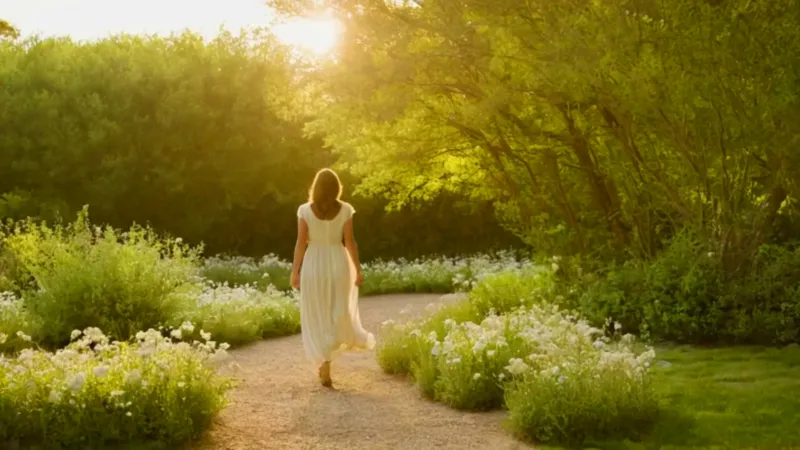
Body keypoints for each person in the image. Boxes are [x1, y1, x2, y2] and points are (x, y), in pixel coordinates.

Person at [290, 168, 376, 387]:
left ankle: (324, 359)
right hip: (338, 262)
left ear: (315, 188)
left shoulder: (304, 210)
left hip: (313, 264)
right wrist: (357, 268)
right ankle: (329, 351)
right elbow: (350, 241)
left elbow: (301, 242)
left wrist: (295, 271)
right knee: (338, 309)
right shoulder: (345, 209)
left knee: (316, 312)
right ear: (337, 187)